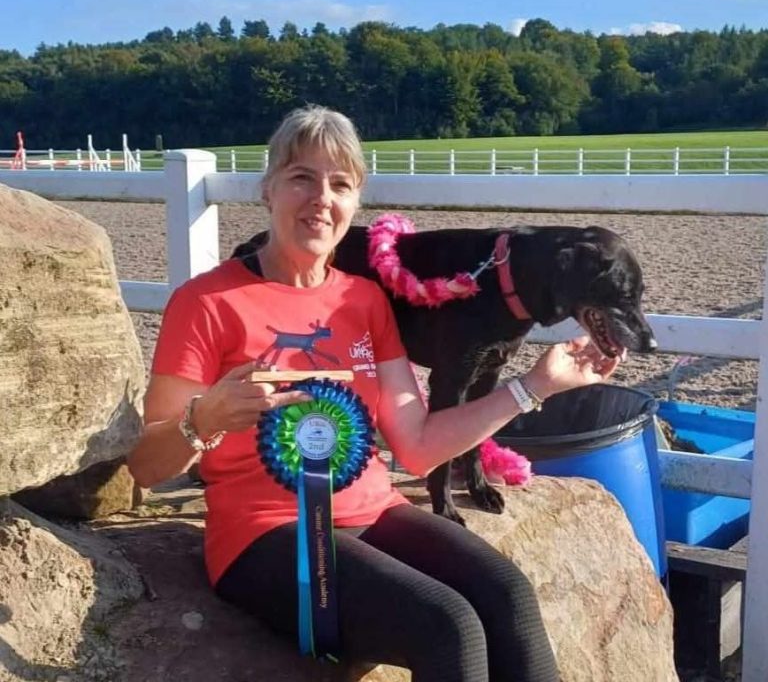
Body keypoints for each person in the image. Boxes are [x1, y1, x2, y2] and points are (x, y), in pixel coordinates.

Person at [127, 105, 621, 682]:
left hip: (374, 511)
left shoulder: (364, 300)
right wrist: (202, 419)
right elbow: (146, 465)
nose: (321, 199)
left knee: (508, 593)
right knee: (448, 625)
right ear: (268, 190)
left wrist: (536, 384)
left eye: (340, 184)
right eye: (301, 178)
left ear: (355, 202)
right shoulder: (206, 302)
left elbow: (417, 446)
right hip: (263, 533)